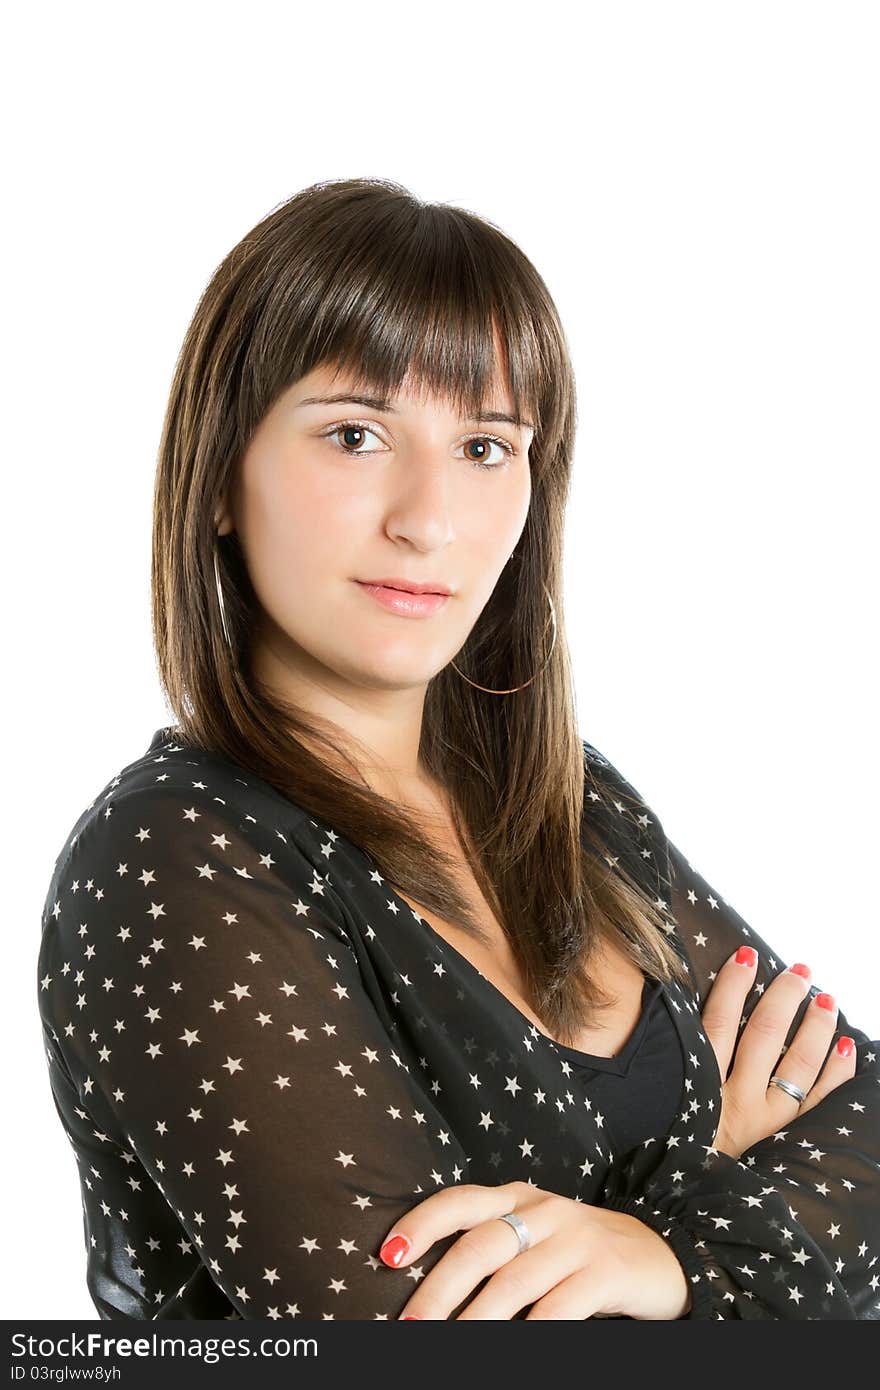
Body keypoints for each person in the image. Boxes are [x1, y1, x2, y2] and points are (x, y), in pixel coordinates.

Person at [37, 178, 879, 1321]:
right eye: (355, 434)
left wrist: (659, 1258)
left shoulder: (570, 807)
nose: (428, 518)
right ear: (221, 474)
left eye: (486, 446)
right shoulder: (174, 859)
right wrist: (706, 1172)